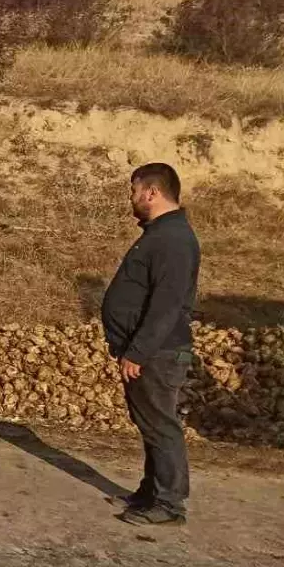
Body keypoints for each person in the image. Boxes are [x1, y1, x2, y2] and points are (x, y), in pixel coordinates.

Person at [102, 163, 200, 527]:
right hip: (149, 350)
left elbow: (167, 304)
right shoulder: (161, 233)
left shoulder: (173, 239)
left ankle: (170, 504)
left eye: (134, 190)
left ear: (152, 193)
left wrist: (137, 352)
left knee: (161, 425)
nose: (132, 197)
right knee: (150, 423)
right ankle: (151, 490)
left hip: (158, 352)